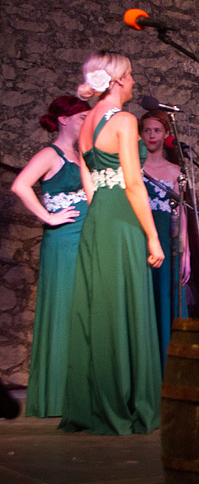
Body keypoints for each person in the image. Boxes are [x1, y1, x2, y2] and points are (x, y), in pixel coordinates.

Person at [59, 51, 164, 435]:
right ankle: (125, 401)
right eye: (130, 74)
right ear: (118, 80)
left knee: (100, 306)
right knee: (123, 303)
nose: (134, 80)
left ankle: (96, 402)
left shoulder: (88, 120)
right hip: (122, 217)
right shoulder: (123, 120)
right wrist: (153, 236)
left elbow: (88, 178)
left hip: (99, 215)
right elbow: (134, 184)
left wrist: (100, 210)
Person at [11, 96, 91, 417]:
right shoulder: (50, 154)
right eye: (82, 117)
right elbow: (20, 185)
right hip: (64, 241)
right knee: (64, 309)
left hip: (86, 238)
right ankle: (57, 395)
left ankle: (80, 392)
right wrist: (48, 216)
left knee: (83, 310)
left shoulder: (81, 154)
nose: (86, 121)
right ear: (64, 119)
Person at [140, 110, 190, 369]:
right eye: (147, 130)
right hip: (139, 239)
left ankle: (169, 366)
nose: (152, 135)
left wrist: (186, 253)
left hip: (169, 241)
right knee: (143, 297)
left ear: (166, 134)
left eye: (157, 130)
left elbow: (182, 213)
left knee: (167, 297)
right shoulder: (133, 168)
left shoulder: (176, 171)